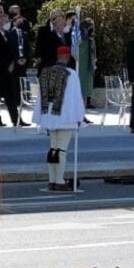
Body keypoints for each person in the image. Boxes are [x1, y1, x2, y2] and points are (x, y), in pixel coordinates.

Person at [33, 46, 84, 191]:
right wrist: (80, 116)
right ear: (67, 57)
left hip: (50, 116)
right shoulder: (71, 74)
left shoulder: (46, 72)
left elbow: (41, 97)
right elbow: (76, 98)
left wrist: (42, 116)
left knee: (53, 149)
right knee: (61, 150)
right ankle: (60, 180)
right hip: (65, 117)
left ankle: (52, 180)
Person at [0, 15, 20, 127]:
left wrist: (12, 63)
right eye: (5, 21)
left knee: (10, 97)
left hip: (7, 73)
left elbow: (12, 52)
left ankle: (16, 119)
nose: (8, 23)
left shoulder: (7, 35)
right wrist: (7, 65)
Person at [78, 18, 97, 109]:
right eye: (90, 26)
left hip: (89, 67)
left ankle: (83, 109)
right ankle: (81, 111)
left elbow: (93, 53)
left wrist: (94, 63)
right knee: (82, 89)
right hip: (81, 66)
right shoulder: (79, 38)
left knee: (86, 89)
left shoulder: (91, 39)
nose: (92, 28)